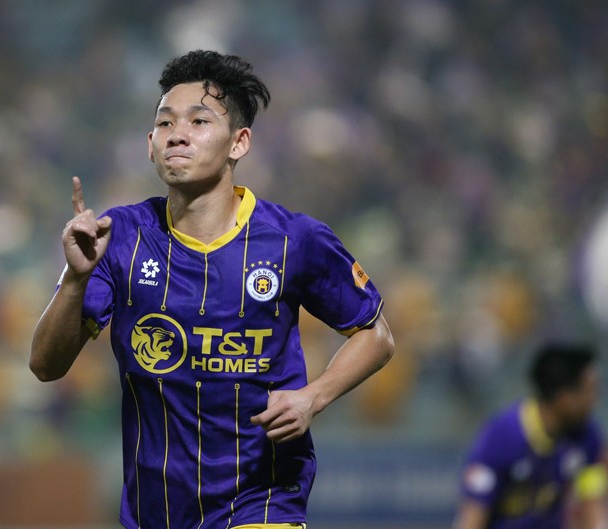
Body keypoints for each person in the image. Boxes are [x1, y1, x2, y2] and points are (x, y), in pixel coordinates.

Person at [30, 50, 394, 529]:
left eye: (199, 121)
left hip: (264, 502)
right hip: (156, 511)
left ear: (239, 142)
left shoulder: (294, 239)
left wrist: (314, 396)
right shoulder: (117, 237)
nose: (177, 134)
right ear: (150, 145)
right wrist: (76, 279)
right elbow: (45, 366)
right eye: (165, 123)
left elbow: (376, 335)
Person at [452, 342, 608, 529]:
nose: (595, 400)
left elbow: (593, 502)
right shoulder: (501, 437)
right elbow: (473, 515)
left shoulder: (587, 436)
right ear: (565, 398)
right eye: (589, 391)